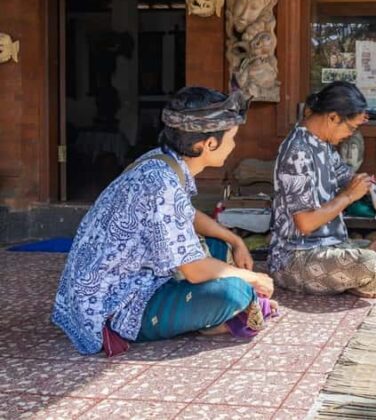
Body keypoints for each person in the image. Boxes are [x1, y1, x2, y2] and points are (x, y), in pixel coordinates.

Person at [52, 87, 276, 355]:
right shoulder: (162, 184)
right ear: (207, 144)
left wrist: (235, 239)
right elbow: (193, 269)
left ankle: (213, 312)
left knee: (219, 247)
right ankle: (215, 321)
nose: (234, 146)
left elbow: (187, 216)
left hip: (106, 289)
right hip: (111, 306)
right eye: (232, 138)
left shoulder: (160, 161)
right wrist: (251, 278)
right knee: (234, 293)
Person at [268, 81, 376, 298]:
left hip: (331, 247)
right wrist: (348, 196)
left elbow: (350, 179)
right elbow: (306, 223)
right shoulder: (297, 153)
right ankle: (358, 281)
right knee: (370, 264)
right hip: (295, 258)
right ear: (333, 117)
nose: (350, 134)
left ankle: (354, 281)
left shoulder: (323, 145)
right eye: (351, 127)